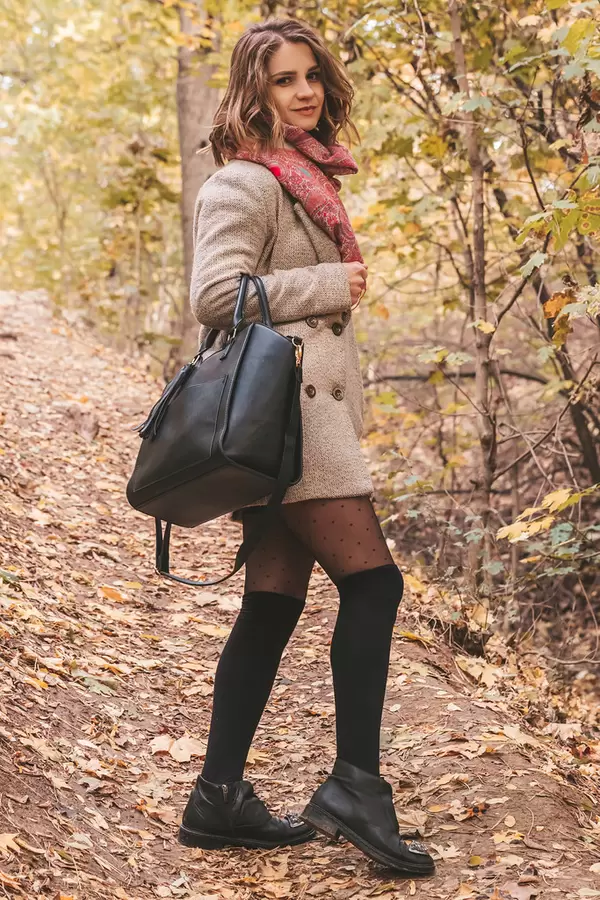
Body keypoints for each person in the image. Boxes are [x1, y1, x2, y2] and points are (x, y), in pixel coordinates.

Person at [177, 17, 435, 877]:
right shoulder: (245, 183)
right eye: (285, 79)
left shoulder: (302, 176)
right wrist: (327, 282)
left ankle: (217, 799)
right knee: (375, 583)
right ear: (255, 90)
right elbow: (215, 297)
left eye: (311, 75)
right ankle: (356, 786)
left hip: (300, 416)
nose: (306, 91)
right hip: (288, 417)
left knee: (273, 603)